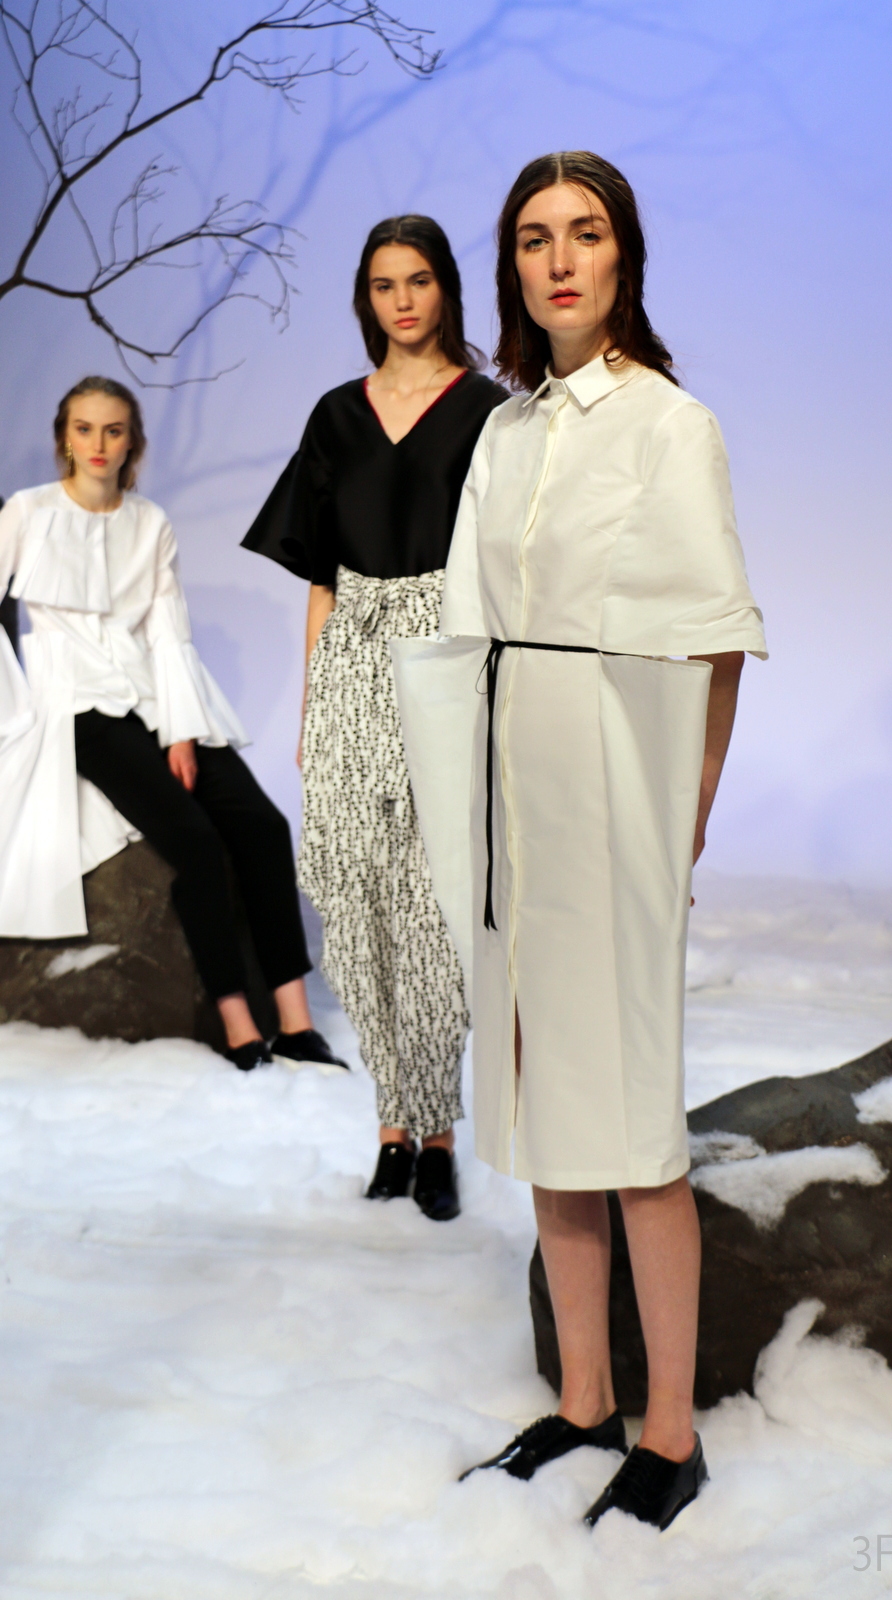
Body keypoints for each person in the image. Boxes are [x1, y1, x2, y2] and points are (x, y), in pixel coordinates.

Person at [391, 153, 767, 1528]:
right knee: (551, 1103)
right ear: (512, 266)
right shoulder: (506, 432)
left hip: (616, 790)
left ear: (624, 257)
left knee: (633, 1120)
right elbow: (467, 624)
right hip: (513, 792)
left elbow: (714, 636)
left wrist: (685, 817)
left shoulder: (671, 424)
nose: (559, 260)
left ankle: (670, 1431)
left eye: (585, 233)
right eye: (533, 238)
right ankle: (586, 1396)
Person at [242, 216, 507, 1220]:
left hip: (448, 654)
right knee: (354, 895)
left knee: (431, 902)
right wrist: (314, 706)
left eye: (419, 280)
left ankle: (435, 1135)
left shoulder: (488, 411)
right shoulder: (335, 415)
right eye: (384, 284)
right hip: (352, 657)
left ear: (446, 289)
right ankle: (391, 1123)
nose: (402, 300)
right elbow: (321, 576)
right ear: (366, 297)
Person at [0, 375, 346, 1076]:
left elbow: (167, 632)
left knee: (263, 827)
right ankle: (238, 1024)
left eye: (114, 430)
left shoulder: (150, 521)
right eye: (85, 429)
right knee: (194, 841)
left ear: (134, 441)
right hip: (78, 707)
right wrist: (16, 708)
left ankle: (296, 1023)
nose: (99, 444)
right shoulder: (27, 512)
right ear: (64, 438)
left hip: (160, 695)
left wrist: (181, 729)